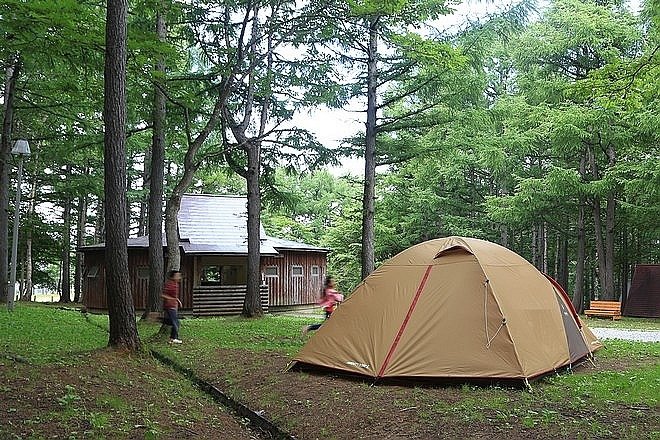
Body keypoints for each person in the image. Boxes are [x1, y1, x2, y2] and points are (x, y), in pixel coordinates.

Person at [162, 270, 183, 344]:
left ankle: (157, 319)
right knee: (176, 322)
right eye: (177, 276)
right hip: (169, 306)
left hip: (173, 305)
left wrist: (178, 301)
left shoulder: (176, 284)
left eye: (179, 275)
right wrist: (171, 300)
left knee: (174, 322)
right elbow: (163, 295)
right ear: (173, 277)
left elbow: (174, 296)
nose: (179, 277)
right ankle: (174, 338)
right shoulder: (170, 284)